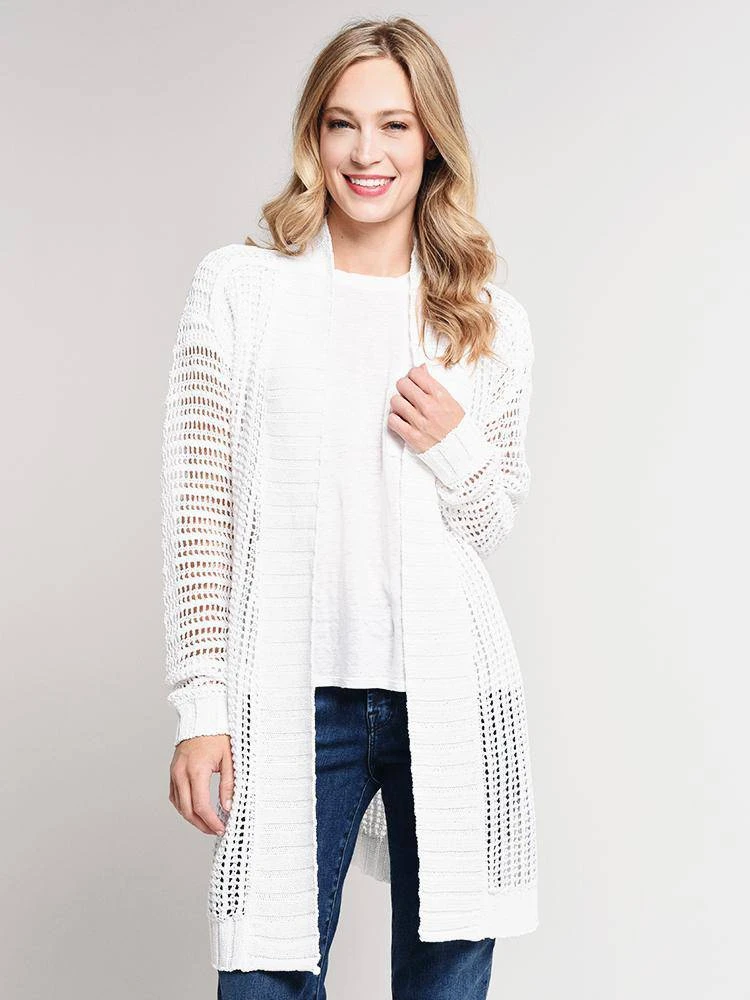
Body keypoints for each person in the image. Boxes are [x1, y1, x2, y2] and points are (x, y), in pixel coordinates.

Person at [161, 16, 538, 1000]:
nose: (367, 153)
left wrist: (455, 445)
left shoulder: (485, 321)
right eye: (343, 124)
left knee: (446, 979)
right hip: (292, 697)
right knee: (262, 977)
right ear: (314, 136)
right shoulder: (243, 290)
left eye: (395, 125)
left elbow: (492, 524)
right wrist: (202, 708)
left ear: (432, 141)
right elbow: (200, 511)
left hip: (448, 692)